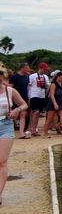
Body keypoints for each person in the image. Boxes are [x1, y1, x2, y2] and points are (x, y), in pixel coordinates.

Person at [1, 70, 30, 206]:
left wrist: (17, 110)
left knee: (1, 161)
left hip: (5, 125)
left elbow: (24, 104)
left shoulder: (10, 91)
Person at [26, 62, 50, 137]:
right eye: (44, 69)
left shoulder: (45, 76)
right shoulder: (32, 76)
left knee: (38, 113)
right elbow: (29, 86)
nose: (45, 71)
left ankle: (34, 128)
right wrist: (29, 96)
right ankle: (32, 129)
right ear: (40, 68)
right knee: (35, 112)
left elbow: (48, 85)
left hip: (42, 96)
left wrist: (46, 92)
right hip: (34, 95)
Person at [45, 70, 62, 135]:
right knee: (49, 119)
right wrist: (55, 104)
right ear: (58, 77)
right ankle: (45, 133)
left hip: (61, 101)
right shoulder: (53, 84)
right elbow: (52, 95)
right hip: (53, 102)